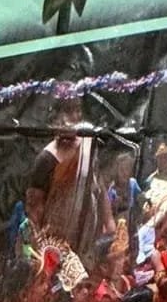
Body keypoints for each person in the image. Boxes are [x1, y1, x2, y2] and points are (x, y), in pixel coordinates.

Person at [26, 95, 113, 261]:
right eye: (68, 110)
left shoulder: (87, 147)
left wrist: (109, 222)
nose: (75, 116)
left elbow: (98, 185)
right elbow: (34, 209)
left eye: (77, 110)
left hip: (87, 238)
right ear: (56, 116)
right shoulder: (46, 159)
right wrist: (40, 248)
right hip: (57, 245)